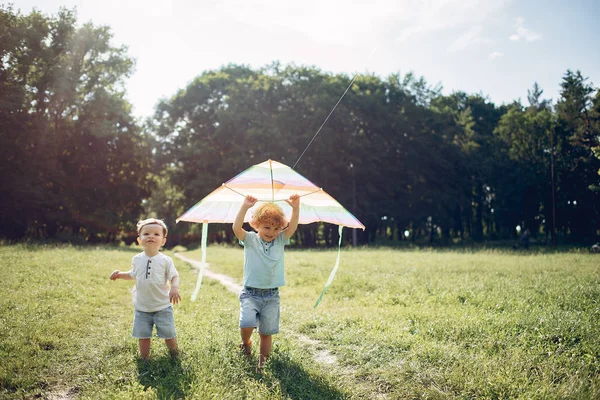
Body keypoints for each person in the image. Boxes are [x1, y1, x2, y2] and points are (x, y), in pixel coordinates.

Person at [232, 194, 300, 372]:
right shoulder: (250, 239)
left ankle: (262, 365)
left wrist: (295, 208)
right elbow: (236, 227)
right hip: (250, 293)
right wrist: (245, 207)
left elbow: (292, 227)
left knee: (266, 333)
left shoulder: (280, 240)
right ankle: (246, 342)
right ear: (255, 225)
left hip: (271, 295)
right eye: (267, 227)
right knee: (246, 323)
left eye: (276, 228)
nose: (271, 232)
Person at [110, 218, 181, 360]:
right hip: (142, 307)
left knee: (168, 334)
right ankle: (144, 359)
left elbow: (175, 276)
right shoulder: (137, 259)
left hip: (162, 306)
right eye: (146, 234)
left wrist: (174, 288)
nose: (151, 236)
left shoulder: (166, 260)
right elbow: (133, 275)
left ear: (163, 241)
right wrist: (119, 275)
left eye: (156, 234)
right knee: (143, 335)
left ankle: (175, 355)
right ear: (139, 240)